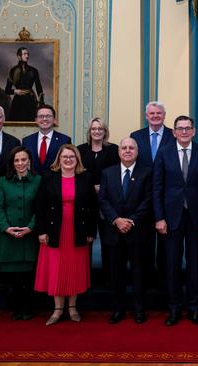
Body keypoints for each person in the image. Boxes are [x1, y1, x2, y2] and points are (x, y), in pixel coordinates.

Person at [153, 115, 198, 326]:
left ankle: (195, 309)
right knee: (172, 265)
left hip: (196, 218)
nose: (184, 132)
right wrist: (159, 217)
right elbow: (157, 188)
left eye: (188, 128)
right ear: (174, 132)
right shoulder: (164, 153)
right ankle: (174, 309)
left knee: (195, 265)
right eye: (180, 128)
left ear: (194, 131)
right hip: (170, 219)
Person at [34, 144, 97, 326]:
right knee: (57, 270)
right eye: (65, 157)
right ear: (59, 159)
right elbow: (40, 207)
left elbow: (93, 208)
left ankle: (72, 307)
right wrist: (41, 231)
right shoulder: (48, 178)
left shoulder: (85, 178)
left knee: (74, 269)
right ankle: (57, 309)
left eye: (72, 157)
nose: (68, 160)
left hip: (78, 230)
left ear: (77, 159)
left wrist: (91, 232)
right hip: (55, 231)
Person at [98, 137, 152, 325]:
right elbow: (103, 200)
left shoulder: (146, 173)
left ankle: (139, 310)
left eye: (131, 148)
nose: (128, 151)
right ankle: (118, 309)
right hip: (114, 232)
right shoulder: (108, 173)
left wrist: (131, 221)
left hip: (137, 232)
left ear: (137, 151)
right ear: (119, 151)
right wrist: (116, 220)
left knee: (139, 274)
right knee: (116, 274)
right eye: (124, 148)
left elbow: (148, 201)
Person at [0, 146, 41, 321]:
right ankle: (16, 308)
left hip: (30, 238)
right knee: (12, 279)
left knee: (28, 278)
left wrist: (31, 227)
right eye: (17, 160)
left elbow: (40, 208)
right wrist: (5, 227)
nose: (20, 163)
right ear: (12, 163)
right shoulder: (3, 181)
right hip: (8, 238)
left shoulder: (38, 181)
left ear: (29, 162)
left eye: (24, 160)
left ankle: (28, 308)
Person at [130, 101, 175, 287]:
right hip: (143, 196)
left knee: (166, 242)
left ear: (164, 115)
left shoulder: (173, 135)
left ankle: (164, 279)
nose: (155, 116)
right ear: (146, 115)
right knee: (145, 241)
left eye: (159, 113)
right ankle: (147, 279)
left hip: (167, 196)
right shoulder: (136, 136)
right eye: (152, 113)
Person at [77, 117, 120, 283]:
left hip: (107, 202)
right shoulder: (80, 150)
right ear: (89, 131)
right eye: (94, 129)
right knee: (85, 240)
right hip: (85, 202)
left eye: (100, 129)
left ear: (105, 132)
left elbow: (116, 173)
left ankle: (108, 278)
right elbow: (77, 173)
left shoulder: (113, 150)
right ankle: (84, 277)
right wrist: (90, 187)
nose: (97, 132)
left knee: (108, 241)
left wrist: (103, 187)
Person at [21, 105, 72, 174]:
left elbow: (69, 165)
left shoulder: (64, 140)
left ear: (54, 119)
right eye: (41, 116)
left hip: (56, 182)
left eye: (48, 116)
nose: (44, 119)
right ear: (36, 120)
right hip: (33, 182)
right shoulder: (27, 141)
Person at [4, 47, 44, 121]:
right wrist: (15, 91)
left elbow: (39, 88)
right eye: (24, 54)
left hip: (31, 101)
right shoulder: (13, 70)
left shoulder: (34, 70)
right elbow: (7, 90)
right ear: (19, 56)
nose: (27, 56)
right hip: (17, 102)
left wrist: (42, 105)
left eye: (27, 54)